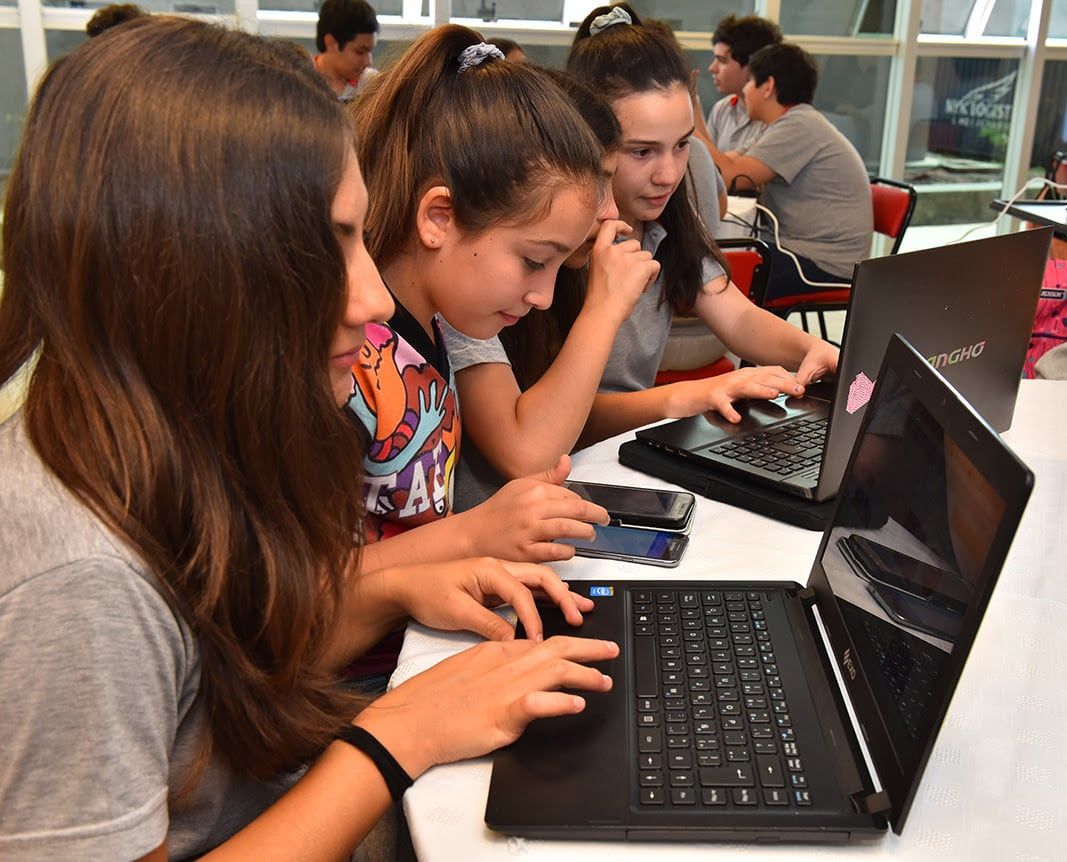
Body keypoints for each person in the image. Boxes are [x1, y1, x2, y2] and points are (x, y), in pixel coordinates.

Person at [0, 17, 619, 858]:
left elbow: (220, 676)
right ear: (186, 262)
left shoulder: (189, 436)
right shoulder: (80, 577)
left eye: (360, 237)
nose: (373, 300)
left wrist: (391, 594)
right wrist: (400, 734)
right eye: (328, 245)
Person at [347, 29, 614, 568]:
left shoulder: (434, 329)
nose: (544, 296)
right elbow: (305, 588)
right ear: (438, 219)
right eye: (534, 260)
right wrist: (475, 534)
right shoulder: (351, 361)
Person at [563, 4, 839, 445]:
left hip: (623, 447)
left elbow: (738, 318)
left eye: (682, 145)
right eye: (642, 152)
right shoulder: (558, 244)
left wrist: (812, 349)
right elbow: (559, 421)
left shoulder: (666, 219)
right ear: (588, 140)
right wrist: (690, 395)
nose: (669, 174)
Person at [439, 69, 659, 510]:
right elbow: (529, 452)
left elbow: (572, 414)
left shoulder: (543, 268)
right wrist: (604, 309)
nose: (611, 211)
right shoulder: (463, 293)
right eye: (597, 184)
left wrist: (694, 396)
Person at [706, 42, 873, 302]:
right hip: (804, 251)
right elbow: (726, 164)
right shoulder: (781, 124)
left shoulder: (799, 126)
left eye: (749, 81)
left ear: (768, 86)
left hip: (824, 263)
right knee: (716, 261)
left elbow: (731, 178)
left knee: (716, 271)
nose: (745, 90)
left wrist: (689, 119)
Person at [695, 14, 782, 159]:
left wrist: (692, 105)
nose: (712, 68)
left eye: (722, 60)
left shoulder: (775, 118)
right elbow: (709, 165)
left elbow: (724, 168)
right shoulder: (722, 108)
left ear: (753, 66)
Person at [314, 0, 379, 101]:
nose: (368, 62)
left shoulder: (373, 84)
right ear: (331, 42)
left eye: (370, 51)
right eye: (360, 52)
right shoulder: (301, 82)